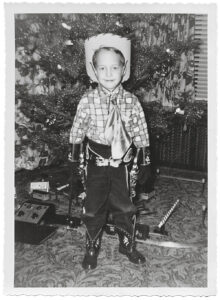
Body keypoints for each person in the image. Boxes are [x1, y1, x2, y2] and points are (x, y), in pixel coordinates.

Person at [69, 34, 151, 270]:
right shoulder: (86, 101)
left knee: (125, 206)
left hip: (123, 165)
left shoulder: (132, 102)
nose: (108, 73)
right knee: (93, 207)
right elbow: (77, 132)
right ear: (93, 71)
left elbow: (140, 132)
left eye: (114, 67)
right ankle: (92, 246)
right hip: (95, 163)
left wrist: (144, 162)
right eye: (102, 68)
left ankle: (127, 244)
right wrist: (74, 164)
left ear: (124, 70)